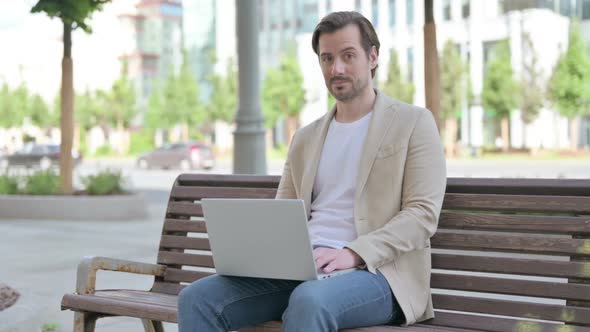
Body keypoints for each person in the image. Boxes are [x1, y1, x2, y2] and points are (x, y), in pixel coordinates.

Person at [178, 11, 446, 331]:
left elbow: (422, 214)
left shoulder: (413, 122)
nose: (337, 69)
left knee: (310, 300)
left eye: (348, 56)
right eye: (327, 58)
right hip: (303, 270)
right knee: (197, 298)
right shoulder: (306, 137)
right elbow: (284, 211)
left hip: (379, 274)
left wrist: (354, 253)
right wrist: (259, 253)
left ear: (373, 57)